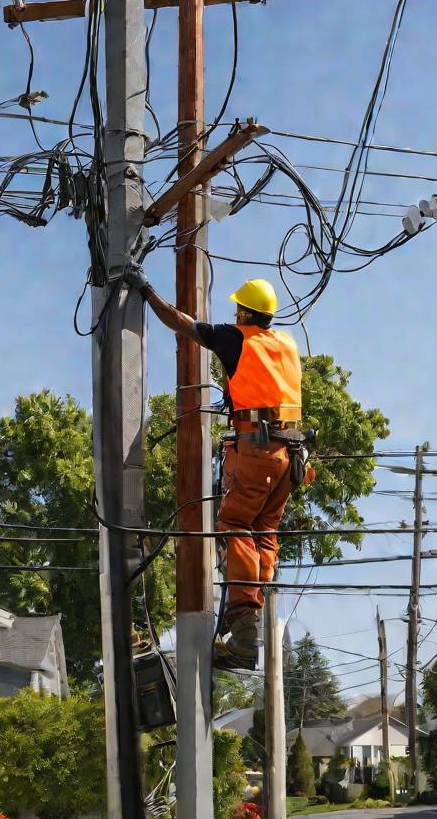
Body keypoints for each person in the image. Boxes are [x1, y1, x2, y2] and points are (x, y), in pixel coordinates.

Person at [122, 264, 312, 670]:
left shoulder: (236, 339)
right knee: (264, 530)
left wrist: (146, 288)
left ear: (245, 313)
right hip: (289, 456)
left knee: (235, 523)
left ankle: (244, 627)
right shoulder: (286, 343)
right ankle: (250, 620)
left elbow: (184, 324)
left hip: (258, 449)